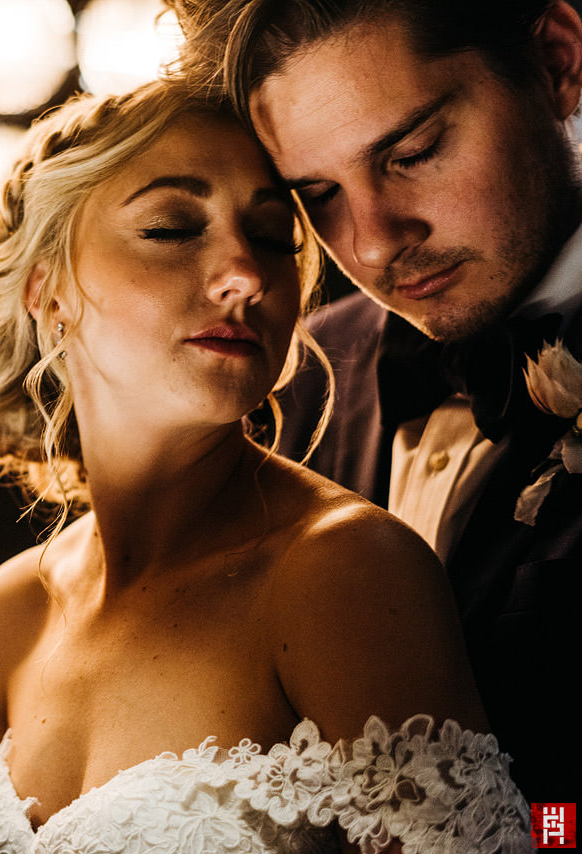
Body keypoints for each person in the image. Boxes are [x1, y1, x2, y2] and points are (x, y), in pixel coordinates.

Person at [0, 78, 531, 854]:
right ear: (46, 290)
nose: (246, 276)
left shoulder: (339, 571)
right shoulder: (8, 615)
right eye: (173, 227)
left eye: (273, 236)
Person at [170, 0, 582, 804]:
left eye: (413, 152)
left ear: (558, 63)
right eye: (317, 193)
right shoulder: (296, 378)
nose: (372, 241)